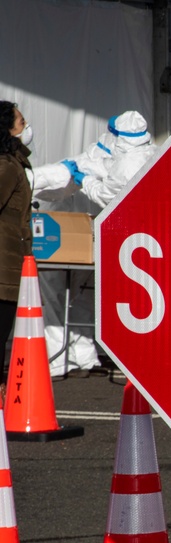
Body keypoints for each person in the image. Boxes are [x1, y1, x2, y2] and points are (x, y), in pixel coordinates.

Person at [0, 101, 34, 381]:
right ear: (8, 129)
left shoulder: (14, 162)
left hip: (9, 260)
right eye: (22, 122)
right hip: (4, 263)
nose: (26, 127)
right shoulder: (7, 166)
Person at [78, 111, 155, 208]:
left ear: (121, 138)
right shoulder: (153, 151)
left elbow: (104, 197)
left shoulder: (125, 167)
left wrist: (85, 180)